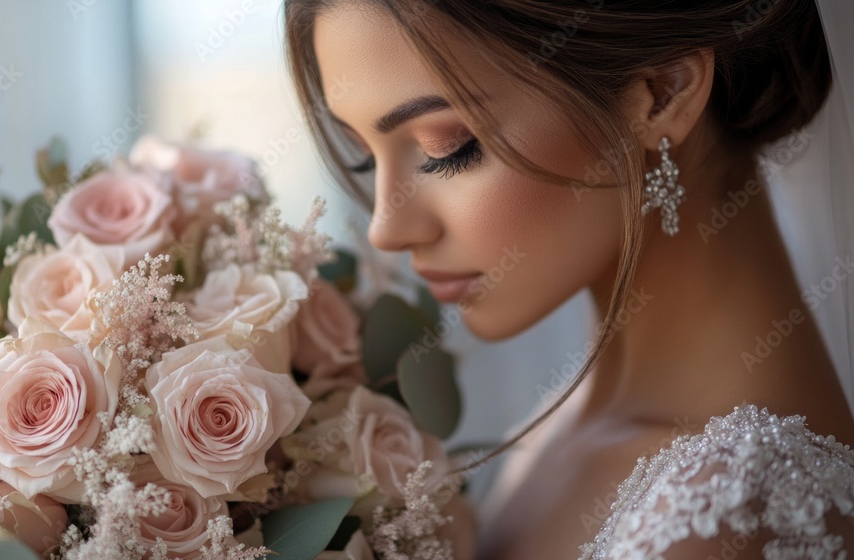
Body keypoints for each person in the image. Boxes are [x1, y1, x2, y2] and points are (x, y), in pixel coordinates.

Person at [283, 0, 854, 558]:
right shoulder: (570, 415)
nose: (385, 228)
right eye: (364, 156)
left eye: (447, 149)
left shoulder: (726, 521)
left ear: (663, 93)